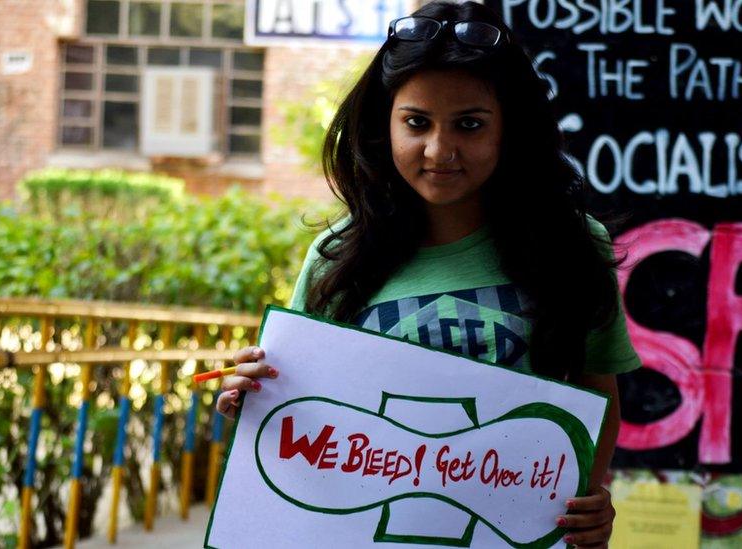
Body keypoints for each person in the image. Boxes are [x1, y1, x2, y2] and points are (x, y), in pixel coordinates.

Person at [216, 1, 641, 546]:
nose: (440, 150)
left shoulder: (573, 246)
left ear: (510, 129)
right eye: (417, 122)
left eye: (469, 124)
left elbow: (595, 394)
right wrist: (249, 396)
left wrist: (581, 500)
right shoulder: (336, 255)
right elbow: (301, 404)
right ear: (383, 123)